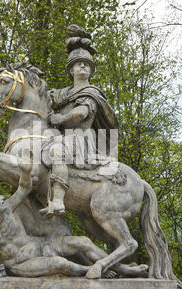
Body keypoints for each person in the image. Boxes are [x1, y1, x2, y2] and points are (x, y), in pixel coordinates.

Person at [0, 150, 148, 278]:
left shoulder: (8, 207)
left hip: (42, 245)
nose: (2, 198)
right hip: (23, 262)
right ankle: (92, 270)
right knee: (60, 264)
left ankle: (123, 268)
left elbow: (24, 187)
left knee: (82, 241)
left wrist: (25, 170)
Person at [40, 25, 119, 216]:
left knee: (58, 150)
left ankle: (58, 201)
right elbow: (42, 99)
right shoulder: (62, 93)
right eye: (78, 64)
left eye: (86, 64)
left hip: (82, 139)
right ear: (71, 70)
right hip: (62, 136)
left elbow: (81, 114)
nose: (82, 66)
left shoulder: (92, 92)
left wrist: (60, 117)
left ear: (90, 70)